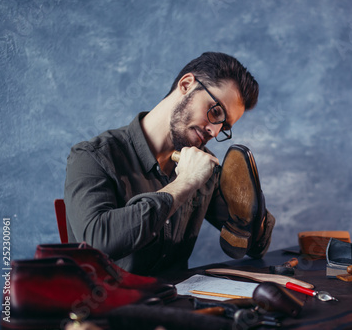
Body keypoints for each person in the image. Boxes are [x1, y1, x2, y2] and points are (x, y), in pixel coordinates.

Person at [64, 52, 275, 276]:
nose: (214, 131)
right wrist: (184, 183)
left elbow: (254, 246)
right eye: (215, 112)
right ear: (186, 85)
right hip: (110, 305)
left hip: (179, 303)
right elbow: (96, 242)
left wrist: (251, 205)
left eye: (224, 127)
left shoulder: (204, 168)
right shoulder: (92, 156)